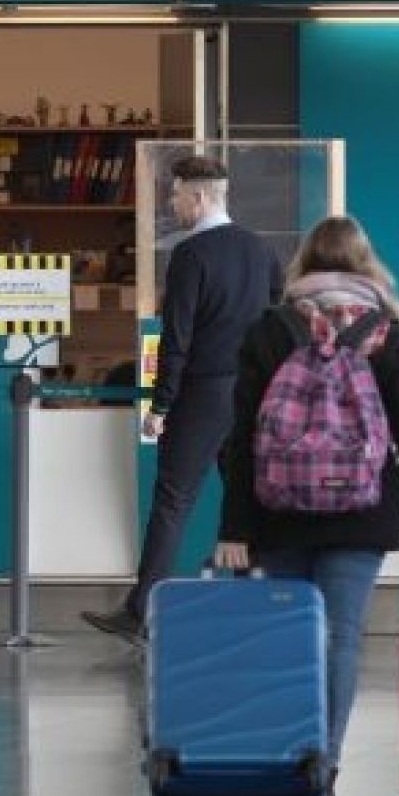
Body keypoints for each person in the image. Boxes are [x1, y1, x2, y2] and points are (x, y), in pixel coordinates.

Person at [213, 215, 399, 796]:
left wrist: (236, 528)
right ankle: (322, 761)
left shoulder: (270, 328)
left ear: (303, 263)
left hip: (278, 512)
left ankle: (288, 750)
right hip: (360, 508)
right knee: (340, 638)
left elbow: (242, 434)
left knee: (289, 636)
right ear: (365, 262)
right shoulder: (384, 330)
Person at [82, 155, 283, 643]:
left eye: (175, 196)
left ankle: (140, 612)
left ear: (199, 197)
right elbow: (278, 320)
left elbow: (178, 338)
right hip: (252, 391)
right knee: (246, 500)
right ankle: (257, 606)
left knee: (173, 502)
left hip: (203, 393)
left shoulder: (191, 256)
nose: (171, 204)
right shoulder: (263, 252)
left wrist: (160, 405)